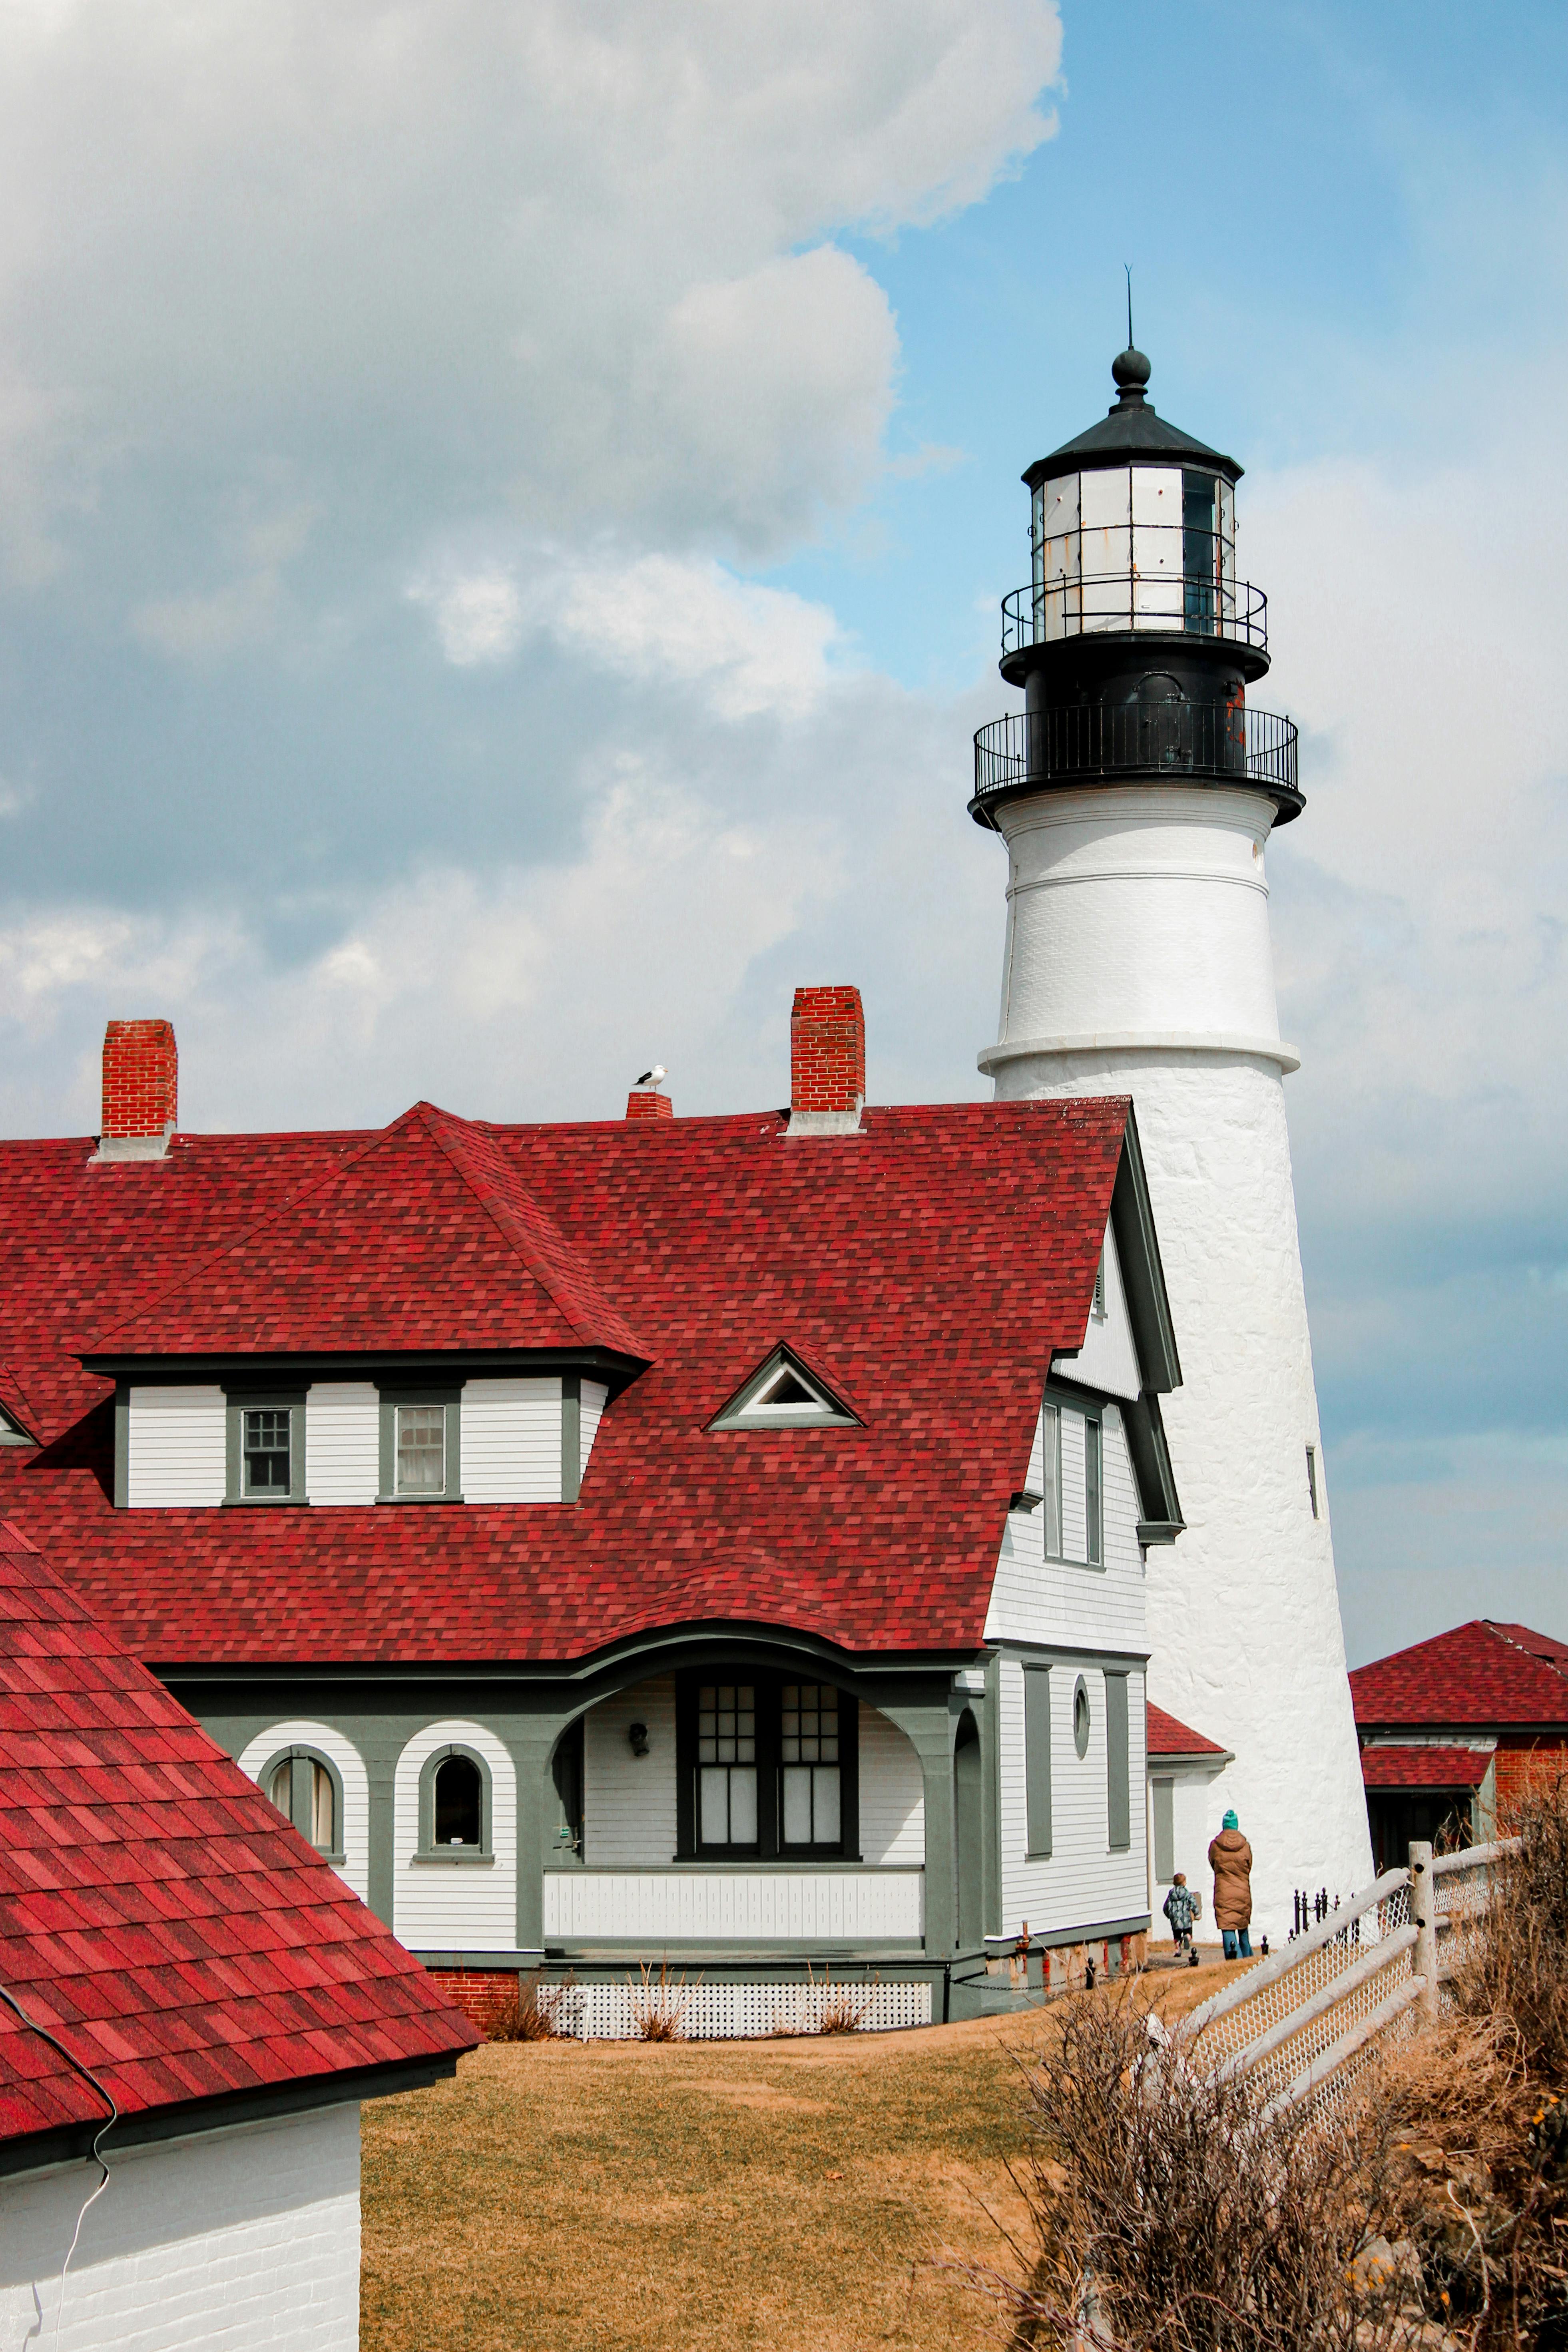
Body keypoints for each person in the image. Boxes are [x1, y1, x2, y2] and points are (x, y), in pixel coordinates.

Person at [1207, 1809, 1254, 1960]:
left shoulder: (1215, 1846)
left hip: (1224, 1892)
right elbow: (1249, 1866)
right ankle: (1249, 1961)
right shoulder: (1245, 1846)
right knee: (1243, 1928)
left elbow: (1213, 1863)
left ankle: (1235, 1961)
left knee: (1228, 1928)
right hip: (1242, 1891)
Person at [1162, 1872, 1198, 1960]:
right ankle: (1187, 1937)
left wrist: (1169, 1915)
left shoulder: (1171, 1894)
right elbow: (1193, 1903)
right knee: (1188, 1932)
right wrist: (1197, 1913)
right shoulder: (1186, 1893)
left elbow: (1166, 1906)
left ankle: (1178, 1949)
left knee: (1177, 1936)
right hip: (1186, 1918)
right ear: (1184, 1883)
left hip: (1175, 1919)